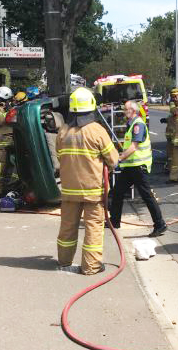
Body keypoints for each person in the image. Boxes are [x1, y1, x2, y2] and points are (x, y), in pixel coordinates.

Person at [56, 88, 119, 275]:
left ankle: (64, 261)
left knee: (67, 228)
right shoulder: (97, 131)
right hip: (92, 191)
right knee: (93, 228)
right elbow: (113, 160)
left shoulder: (63, 131)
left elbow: (60, 157)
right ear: (91, 107)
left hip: (68, 190)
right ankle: (91, 267)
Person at [110, 101, 167, 237]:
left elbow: (134, 146)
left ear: (133, 111)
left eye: (126, 109)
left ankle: (160, 224)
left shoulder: (138, 125)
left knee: (147, 196)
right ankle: (114, 221)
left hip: (138, 167)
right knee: (117, 192)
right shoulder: (131, 125)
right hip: (130, 167)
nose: (124, 112)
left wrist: (120, 158)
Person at [161, 88, 178, 172]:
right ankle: (170, 168)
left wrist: (172, 104)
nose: (174, 98)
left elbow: (175, 112)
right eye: (172, 96)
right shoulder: (175, 105)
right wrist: (166, 120)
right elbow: (173, 117)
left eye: (175, 96)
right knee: (170, 154)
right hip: (170, 134)